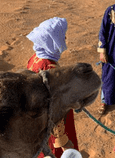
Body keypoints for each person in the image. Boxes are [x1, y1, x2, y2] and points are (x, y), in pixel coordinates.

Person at [26, 17, 79, 158]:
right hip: (50, 127)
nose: (65, 38)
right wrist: (63, 141)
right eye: (61, 36)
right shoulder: (49, 68)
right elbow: (53, 108)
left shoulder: (35, 58)